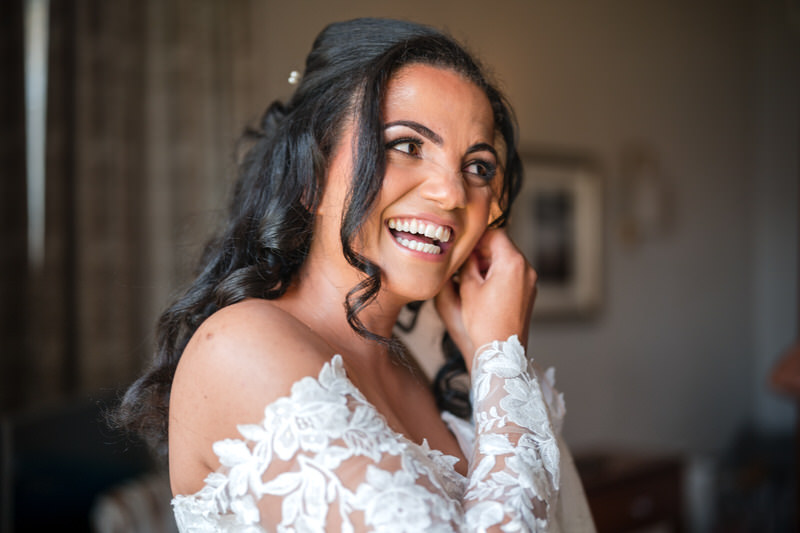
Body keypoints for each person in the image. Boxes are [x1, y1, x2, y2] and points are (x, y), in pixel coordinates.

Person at [116, 17, 595, 532]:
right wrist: (503, 356)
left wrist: (488, 358)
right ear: (310, 175)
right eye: (408, 145)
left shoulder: (426, 364)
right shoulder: (239, 349)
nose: (453, 193)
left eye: (477, 166)